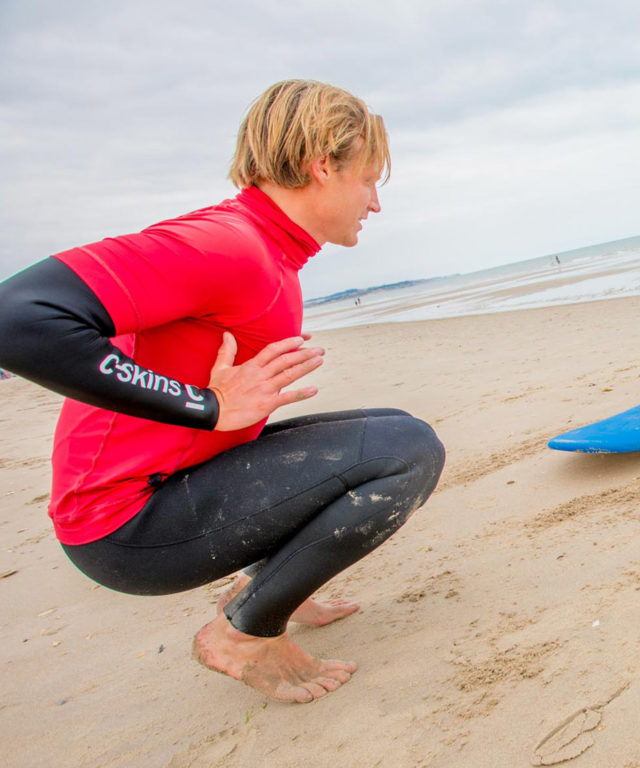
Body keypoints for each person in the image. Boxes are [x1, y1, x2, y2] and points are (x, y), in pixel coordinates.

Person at [0, 80, 446, 703]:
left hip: (167, 493)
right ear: (322, 166)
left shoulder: (266, 251)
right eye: (370, 180)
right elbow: (17, 318)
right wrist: (205, 406)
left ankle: (270, 586)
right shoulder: (226, 244)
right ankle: (244, 633)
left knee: (388, 427)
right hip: (126, 528)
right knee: (406, 451)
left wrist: (213, 411)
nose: (374, 202)